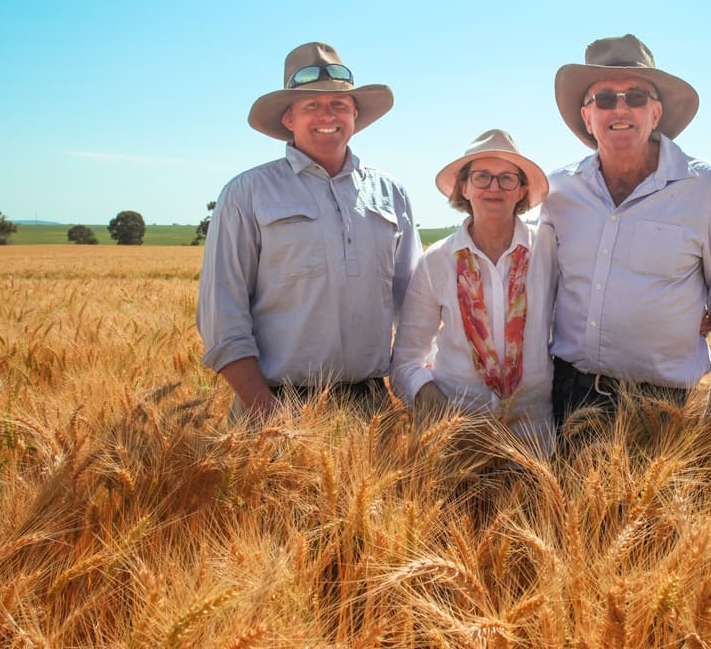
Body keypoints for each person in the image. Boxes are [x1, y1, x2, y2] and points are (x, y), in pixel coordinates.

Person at [540, 34, 711, 430]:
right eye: (604, 99)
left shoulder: (709, 188)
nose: (619, 108)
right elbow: (535, 292)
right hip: (567, 399)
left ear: (655, 112)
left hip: (664, 409)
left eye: (635, 96)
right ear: (587, 117)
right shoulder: (558, 191)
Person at [197, 42, 422, 422]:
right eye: (311, 106)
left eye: (338, 104)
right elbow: (222, 315)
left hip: (371, 407)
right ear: (289, 118)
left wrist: (417, 394)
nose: (326, 115)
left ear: (354, 113)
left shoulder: (390, 192)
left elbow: (416, 303)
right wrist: (267, 415)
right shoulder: (247, 192)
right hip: (273, 404)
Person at [392, 129, 557, 456]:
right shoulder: (436, 262)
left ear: (522, 189)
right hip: (458, 445)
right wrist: (429, 399)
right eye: (482, 177)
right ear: (464, 188)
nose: (494, 188)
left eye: (506, 178)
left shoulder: (551, 251)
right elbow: (406, 361)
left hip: (537, 440)